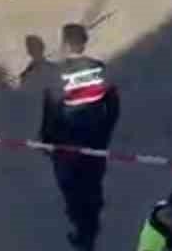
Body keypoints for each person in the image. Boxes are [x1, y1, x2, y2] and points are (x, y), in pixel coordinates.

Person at [40, 22, 120, 249]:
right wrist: (105, 134)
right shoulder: (100, 69)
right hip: (96, 141)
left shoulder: (57, 75)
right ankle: (93, 213)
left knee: (71, 187)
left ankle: (85, 234)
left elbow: (51, 112)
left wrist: (46, 140)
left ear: (65, 44)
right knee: (93, 182)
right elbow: (113, 107)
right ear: (84, 43)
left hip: (68, 145)